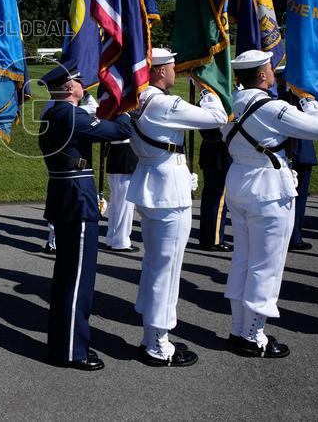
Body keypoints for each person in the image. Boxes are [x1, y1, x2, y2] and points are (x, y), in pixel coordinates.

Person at [223, 50, 318, 358]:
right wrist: (309, 98)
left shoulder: (233, 99)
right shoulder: (271, 107)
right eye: (270, 68)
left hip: (239, 183)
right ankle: (253, 335)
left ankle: (238, 329)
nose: (274, 72)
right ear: (261, 75)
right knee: (266, 266)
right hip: (268, 190)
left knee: (244, 260)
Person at [126, 48, 227, 367]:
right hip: (167, 190)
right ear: (157, 71)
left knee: (155, 264)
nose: (177, 72)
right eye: (173, 67)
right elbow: (218, 118)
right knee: (165, 269)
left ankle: (151, 333)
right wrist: (208, 89)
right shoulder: (163, 103)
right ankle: (158, 343)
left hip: (154, 182)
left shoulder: (139, 99)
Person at [38, 64, 132, 371]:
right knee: (78, 279)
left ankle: (61, 345)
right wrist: (121, 106)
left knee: (66, 276)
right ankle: (72, 351)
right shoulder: (71, 115)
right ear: (68, 88)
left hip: (64, 197)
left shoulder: (52, 114)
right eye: (78, 81)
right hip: (77, 200)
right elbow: (119, 132)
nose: (83, 85)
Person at [275, 66, 318, 251]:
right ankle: (292, 237)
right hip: (286, 152)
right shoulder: (276, 99)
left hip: (300, 152)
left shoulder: (298, 96)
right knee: (287, 198)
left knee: (298, 199)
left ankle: (294, 235)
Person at [197, 128, 232, 251]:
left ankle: (207, 238)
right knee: (218, 198)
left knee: (210, 197)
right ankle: (214, 240)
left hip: (210, 147)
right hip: (219, 150)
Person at [103, 138, 139, 252]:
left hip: (116, 154)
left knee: (115, 204)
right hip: (125, 156)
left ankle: (112, 239)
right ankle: (121, 241)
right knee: (124, 205)